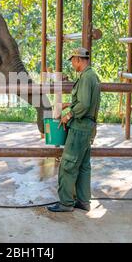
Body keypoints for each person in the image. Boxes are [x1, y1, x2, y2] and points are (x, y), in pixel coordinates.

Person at [47, 47, 101, 212]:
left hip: (79, 126)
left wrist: (68, 114)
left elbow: (84, 104)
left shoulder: (85, 77)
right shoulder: (92, 76)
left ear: (78, 59)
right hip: (88, 126)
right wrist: (69, 104)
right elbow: (86, 101)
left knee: (68, 165)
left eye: (72, 61)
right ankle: (84, 201)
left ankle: (66, 203)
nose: (72, 64)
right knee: (84, 165)